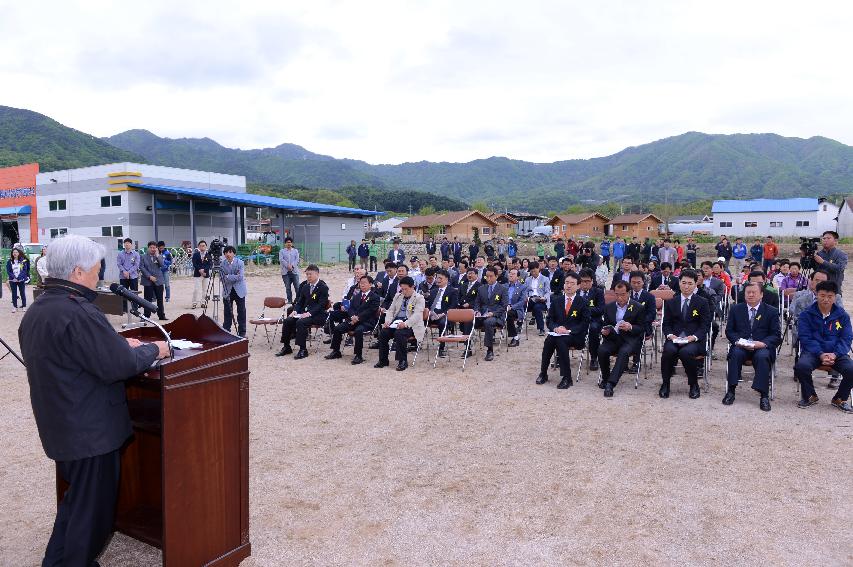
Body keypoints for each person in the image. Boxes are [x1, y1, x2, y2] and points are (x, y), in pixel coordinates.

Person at [18, 234, 168, 567]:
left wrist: (116, 345)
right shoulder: (79, 312)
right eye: (97, 268)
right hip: (90, 433)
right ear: (77, 272)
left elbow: (75, 356)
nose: (100, 274)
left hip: (63, 426)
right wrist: (155, 349)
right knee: (93, 517)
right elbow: (119, 365)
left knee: (77, 506)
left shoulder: (40, 309)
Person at [794, 280, 853, 413]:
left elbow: (846, 338)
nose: (826, 299)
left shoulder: (842, 316)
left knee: (851, 369)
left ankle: (840, 398)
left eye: (830, 296)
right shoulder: (806, 315)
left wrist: (835, 354)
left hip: (836, 353)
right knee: (802, 366)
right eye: (822, 295)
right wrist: (820, 353)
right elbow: (805, 338)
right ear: (816, 294)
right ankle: (810, 395)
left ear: (835, 297)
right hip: (813, 353)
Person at [723, 282, 781, 411]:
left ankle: (764, 395)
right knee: (735, 354)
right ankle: (731, 391)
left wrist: (763, 343)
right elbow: (729, 331)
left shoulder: (771, 311)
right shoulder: (736, 309)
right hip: (741, 345)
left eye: (754, 292)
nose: (750, 295)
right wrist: (738, 341)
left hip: (761, 346)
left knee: (762, 356)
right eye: (748, 292)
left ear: (761, 294)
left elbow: (776, 335)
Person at [660, 269, 712, 399]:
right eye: (684, 282)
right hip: (675, 338)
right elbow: (666, 324)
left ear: (695, 284)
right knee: (668, 351)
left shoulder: (702, 302)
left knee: (686, 352)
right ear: (679, 283)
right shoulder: (671, 302)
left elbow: (705, 325)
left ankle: (693, 384)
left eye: (690, 283)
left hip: (694, 340)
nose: (686, 286)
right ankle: (665, 384)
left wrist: (693, 337)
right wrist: (670, 335)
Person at [536, 272, 589, 389]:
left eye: (572, 283)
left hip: (575, 335)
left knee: (561, 341)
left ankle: (567, 377)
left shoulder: (583, 302)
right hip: (557, 333)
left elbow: (585, 323)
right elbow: (549, 320)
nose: (568, 286)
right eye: (566, 283)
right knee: (549, 340)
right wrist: (555, 328)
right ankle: (543, 373)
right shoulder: (556, 300)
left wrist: (568, 330)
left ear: (578, 286)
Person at [598, 281, 645, 397]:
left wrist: (631, 327)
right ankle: (606, 377)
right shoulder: (609, 307)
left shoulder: (638, 307)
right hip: (613, 338)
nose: (620, 297)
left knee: (623, 352)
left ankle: (611, 383)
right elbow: (605, 324)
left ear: (629, 293)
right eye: (617, 294)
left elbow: (642, 328)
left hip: (630, 339)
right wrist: (605, 331)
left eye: (623, 294)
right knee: (602, 350)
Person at [276, 265, 330, 359]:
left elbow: (321, 304)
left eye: (310, 274)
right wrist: (295, 311)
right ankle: (286, 346)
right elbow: (300, 302)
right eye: (307, 274)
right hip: (305, 314)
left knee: (301, 322)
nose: (308, 276)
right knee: (288, 320)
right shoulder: (305, 287)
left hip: (318, 315)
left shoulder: (323, 287)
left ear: (317, 274)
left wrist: (309, 313)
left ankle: (303, 349)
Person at [325, 274, 380, 364]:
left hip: (366, 322)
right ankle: (336, 351)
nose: (362, 285)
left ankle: (358, 355)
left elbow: (371, 311)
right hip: (353, 320)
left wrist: (358, 318)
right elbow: (350, 309)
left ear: (370, 284)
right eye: (360, 283)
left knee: (358, 331)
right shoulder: (356, 296)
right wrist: (352, 317)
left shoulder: (375, 297)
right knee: (338, 328)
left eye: (364, 283)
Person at [374, 276, 425, 371]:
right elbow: (391, 310)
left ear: (413, 287)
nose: (404, 291)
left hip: (411, 325)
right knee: (383, 333)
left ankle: (402, 361)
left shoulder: (419, 298)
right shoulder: (398, 296)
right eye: (402, 289)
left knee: (399, 334)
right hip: (396, 322)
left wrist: (405, 324)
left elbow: (417, 315)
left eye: (406, 289)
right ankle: (383, 360)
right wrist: (388, 321)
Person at [461, 267, 508, 361]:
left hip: (496, 316)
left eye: (491, 276)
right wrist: (477, 311)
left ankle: (490, 350)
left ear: (496, 276)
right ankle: (468, 347)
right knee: (468, 320)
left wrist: (493, 313)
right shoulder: (481, 288)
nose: (489, 279)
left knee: (488, 322)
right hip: (482, 315)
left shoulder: (502, 289)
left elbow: (504, 306)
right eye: (487, 277)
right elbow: (477, 302)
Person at [578, 269, 605, 370]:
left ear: (592, 281)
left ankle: (594, 357)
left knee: (593, 329)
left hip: (593, 320)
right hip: (577, 320)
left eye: (587, 281)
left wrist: (585, 310)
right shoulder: (575, 292)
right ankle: (560, 356)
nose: (585, 284)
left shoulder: (598, 292)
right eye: (582, 281)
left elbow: (601, 309)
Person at [220, 245, 247, 337]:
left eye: (230, 252)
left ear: (234, 253)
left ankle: (242, 332)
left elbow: (240, 277)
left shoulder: (240, 263)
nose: (228, 254)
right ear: (224, 254)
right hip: (227, 290)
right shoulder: (222, 264)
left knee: (241, 312)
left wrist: (228, 276)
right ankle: (226, 331)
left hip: (239, 290)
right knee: (227, 312)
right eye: (226, 252)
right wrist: (233, 276)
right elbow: (222, 278)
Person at [139, 241, 167, 320]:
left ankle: (161, 315)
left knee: (160, 299)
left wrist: (158, 255)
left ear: (156, 248)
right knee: (147, 299)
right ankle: (146, 316)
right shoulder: (143, 256)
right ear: (148, 248)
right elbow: (141, 267)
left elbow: (162, 265)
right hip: (148, 280)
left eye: (154, 247)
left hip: (158, 280)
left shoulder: (159, 256)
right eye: (151, 247)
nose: (152, 249)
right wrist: (149, 276)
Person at [505, 268, 530, 348]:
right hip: (504, 308)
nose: (511, 275)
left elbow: (522, 302)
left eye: (513, 274)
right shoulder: (504, 286)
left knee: (508, 314)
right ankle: (492, 335)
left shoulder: (523, 287)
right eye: (510, 273)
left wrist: (511, 307)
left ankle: (515, 337)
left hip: (516, 310)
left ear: (518, 277)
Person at [117, 237, 140, 313]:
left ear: (131, 244)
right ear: (124, 245)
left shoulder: (136, 254)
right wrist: (124, 272)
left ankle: (135, 308)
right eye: (125, 243)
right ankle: (124, 308)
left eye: (128, 243)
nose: (127, 245)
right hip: (123, 276)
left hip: (133, 276)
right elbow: (119, 264)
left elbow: (136, 265)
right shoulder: (120, 254)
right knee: (123, 292)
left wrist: (128, 272)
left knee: (134, 293)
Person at [6, 246, 30, 313]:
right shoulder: (9, 261)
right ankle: (15, 307)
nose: (15, 253)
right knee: (14, 293)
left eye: (16, 252)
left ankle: (24, 306)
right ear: (12, 253)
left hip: (21, 280)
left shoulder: (22, 261)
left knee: (22, 293)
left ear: (19, 253)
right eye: (13, 252)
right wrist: (14, 277)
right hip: (13, 280)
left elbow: (24, 270)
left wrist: (19, 277)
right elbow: (8, 271)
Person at [279, 237, 300, 303]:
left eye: (290, 242)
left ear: (292, 243)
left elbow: (297, 259)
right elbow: (281, 259)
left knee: (297, 286)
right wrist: (287, 265)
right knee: (288, 287)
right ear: (285, 243)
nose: (289, 244)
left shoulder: (295, 251)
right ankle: (290, 300)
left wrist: (292, 266)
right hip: (285, 272)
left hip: (294, 271)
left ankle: (299, 300)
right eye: (287, 242)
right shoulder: (282, 251)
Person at [192, 240, 212, 309]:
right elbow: (194, 263)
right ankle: (194, 303)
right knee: (196, 289)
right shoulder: (196, 254)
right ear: (198, 247)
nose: (202, 247)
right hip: (197, 274)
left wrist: (204, 270)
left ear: (206, 246)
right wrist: (200, 270)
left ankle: (203, 302)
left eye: (203, 246)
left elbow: (209, 264)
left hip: (206, 274)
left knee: (205, 289)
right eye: (200, 246)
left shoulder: (209, 255)